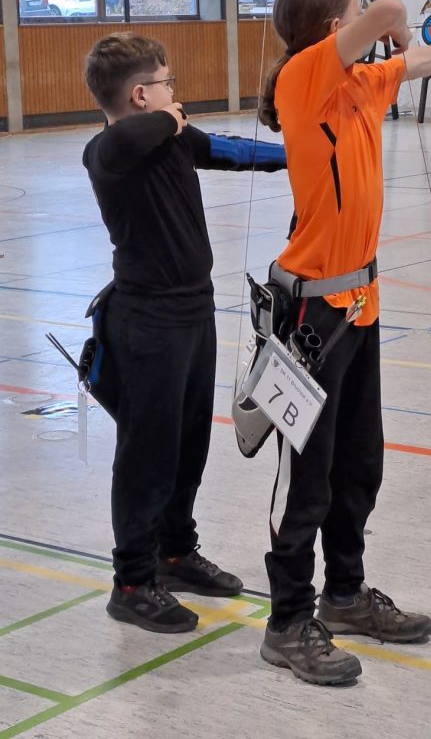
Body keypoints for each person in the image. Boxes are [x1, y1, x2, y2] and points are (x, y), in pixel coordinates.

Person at [257, 0, 431, 685]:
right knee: (309, 477)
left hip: (359, 304)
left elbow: (420, 58)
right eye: (354, 7)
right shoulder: (303, 78)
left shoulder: (360, 84)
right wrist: (392, 22)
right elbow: (394, 11)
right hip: (312, 315)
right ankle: (287, 621)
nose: (369, 10)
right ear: (334, 29)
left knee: (359, 463)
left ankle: (343, 594)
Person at [82, 32, 286, 634]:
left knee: (189, 441)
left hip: (194, 311)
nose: (176, 94)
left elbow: (224, 149)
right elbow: (129, 137)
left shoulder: (170, 137)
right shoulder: (107, 150)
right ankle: (131, 581)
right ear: (140, 95)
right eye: (166, 84)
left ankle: (174, 553)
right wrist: (170, 119)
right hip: (147, 321)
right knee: (147, 452)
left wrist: (295, 154)